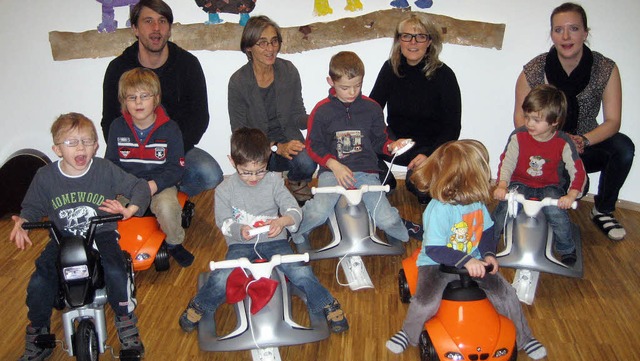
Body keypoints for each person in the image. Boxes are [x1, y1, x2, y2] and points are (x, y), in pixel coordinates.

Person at [385, 140, 546, 360]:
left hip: (475, 261)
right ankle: (408, 333)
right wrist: (465, 260)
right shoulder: (439, 209)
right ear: (464, 179)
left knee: (507, 295)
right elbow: (434, 248)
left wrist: (488, 254)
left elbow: (487, 231)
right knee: (425, 302)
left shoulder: (476, 203)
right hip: (437, 264)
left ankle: (524, 338)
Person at [178, 128, 349, 334]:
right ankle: (201, 304)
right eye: (246, 172)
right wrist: (239, 230)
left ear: (267, 159)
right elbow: (223, 222)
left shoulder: (274, 182)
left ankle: (326, 303)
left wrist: (285, 220)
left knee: (300, 271)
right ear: (232, 162)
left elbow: (292, 208)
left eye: (260, 170)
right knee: (222, 276)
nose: (254, 177)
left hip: (276, 241)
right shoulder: (225, 189)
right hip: (240, 246)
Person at [10, 113, 150, 360]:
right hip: (62, 238)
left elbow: (139, 186)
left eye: (87, 141)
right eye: (71, 142)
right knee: (40, 282)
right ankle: (38, 332)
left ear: (96, 145)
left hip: (102, 234)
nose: (81, 147)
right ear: (57, 149)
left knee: (116, 272)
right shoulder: (45, 177)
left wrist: (129, 210)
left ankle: (125, 319)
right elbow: (32, 207)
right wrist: (22, 222)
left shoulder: (104, 170)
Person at [514, 2, 635, 241]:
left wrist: (583, 140)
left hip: (585, 143)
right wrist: (551, 141)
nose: (566, 36)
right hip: (548, 146)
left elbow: (613, 121)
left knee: (623, 147)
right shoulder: (535, 69)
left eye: (574, 28)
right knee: (579, 189)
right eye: (559, 30)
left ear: (585, 33)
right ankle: (545, 206)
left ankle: (603, 210)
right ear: (552, 34)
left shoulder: (605, 68)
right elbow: (520, 117)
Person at [102, 0, 223, 197]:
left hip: (175, 149)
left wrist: (171, 154)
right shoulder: (118, 68)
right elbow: (109, 120)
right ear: (135, 28)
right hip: (132, 152)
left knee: (210, 175)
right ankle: (150, 197)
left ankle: (168, 195)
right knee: (104, 177)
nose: (156, 28)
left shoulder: (188, 64)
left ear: (169, 29)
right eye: (148, 21)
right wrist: (134, 155)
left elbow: (200, 118)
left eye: (162, 21)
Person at [291, 51, 409, 247]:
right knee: (319, 212)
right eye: (345, 87)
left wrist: (391, 146)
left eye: (357, 86)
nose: (352, 92)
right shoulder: (321, 111)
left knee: (386, 218)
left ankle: (399, 234)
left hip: (367, 172)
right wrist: (333, 164)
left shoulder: (372, 108)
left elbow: (381, 140)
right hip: (332, 172)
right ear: (331, 81)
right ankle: (297, 231)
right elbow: (313, 145)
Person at [105, 68, 194, 267]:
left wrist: (154, 185)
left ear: (156, 98)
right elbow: (111, 163)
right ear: (123, 101)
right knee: (105, 208)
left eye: (144, 96)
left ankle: (174, 243)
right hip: (127, 186)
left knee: (168, 208)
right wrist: (120, 188)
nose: (138, 102)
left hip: (159, 186)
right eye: (132, 97)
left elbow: (176, 168)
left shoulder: (170, 129)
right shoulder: (117, 128)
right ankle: (107, 245)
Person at [370, 14, 461, 205]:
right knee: (360, 141)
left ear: (429, 42)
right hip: (397, 143)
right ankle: (386, 182)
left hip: (429, 148)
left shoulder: (444, 75)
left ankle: (421, 180)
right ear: (399, 40)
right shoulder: (390, 69)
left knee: (421, 190)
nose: (413, 42)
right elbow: (371, 111)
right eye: (407, 36)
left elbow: (452, 127)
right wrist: (387, 142)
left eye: (420, 36)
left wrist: (430, 155)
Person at [494, 84, 587, 266]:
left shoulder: (563, 141)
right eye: (527, 117)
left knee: (557, 213)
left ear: (554, 121)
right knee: (502, 210)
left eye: (536, 120)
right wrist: (502, 185)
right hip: (520, 183)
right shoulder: (518, 136)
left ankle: (566, 248)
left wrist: (571, 194)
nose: (529, 123)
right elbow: (508, 161)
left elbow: (577, 169)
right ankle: (488, 242)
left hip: (549, 187)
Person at [228, 15, 317, 205]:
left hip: (289, 141)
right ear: (248, 47)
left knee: (308, 159)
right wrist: (276, 146)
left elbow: (297, 113)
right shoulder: (238, 82)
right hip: (257, 150)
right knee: (263, 205)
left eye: (274, 41)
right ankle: (266, 185)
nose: (270, 49)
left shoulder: (288, 70)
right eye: (262, 43)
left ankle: (295, 181)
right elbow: (239, 133)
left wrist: (316, 120)